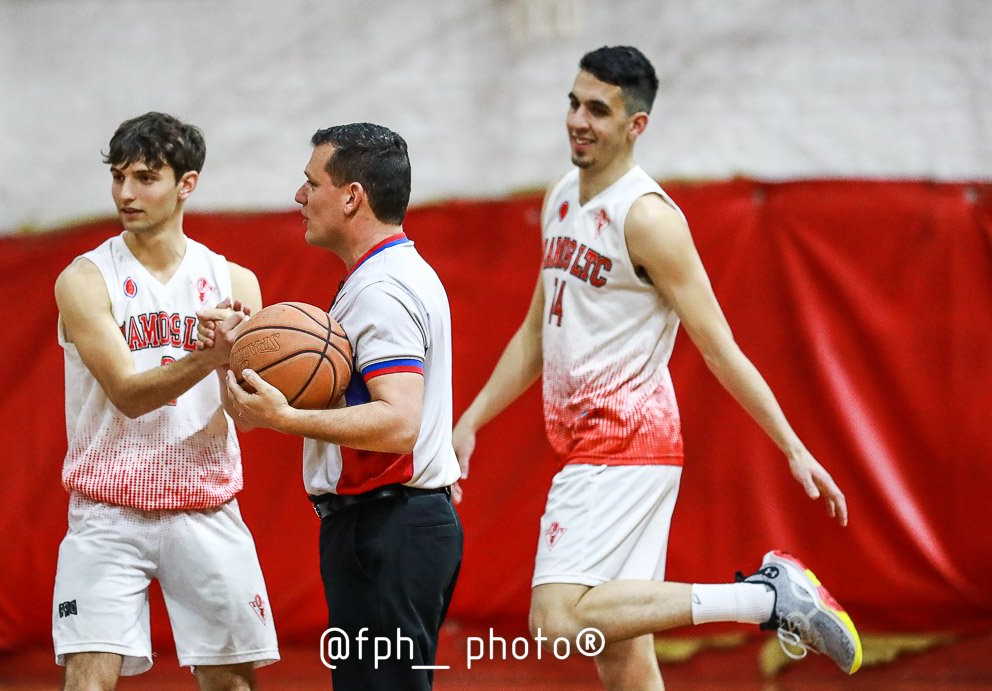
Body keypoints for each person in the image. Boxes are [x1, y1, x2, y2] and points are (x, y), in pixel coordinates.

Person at [451, 46, 862, 688]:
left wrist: (792, 445)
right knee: (622, 656)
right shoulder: (562, 198)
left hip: (623, 445)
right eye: (573, 102)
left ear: (635, 125)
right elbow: (536, 332)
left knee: (556, 622)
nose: (578, 121)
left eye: (598, 110)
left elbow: (719, 345)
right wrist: (471, 420)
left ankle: (764, 598)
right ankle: (765, 598)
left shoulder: (648, 218)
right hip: (595, 445)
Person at [216, 123, 463, 691]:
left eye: (311, 183)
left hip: (389, 524)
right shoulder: (391, 274)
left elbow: (400, 423)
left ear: (351, 195)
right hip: (389, 523)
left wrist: (285, 419)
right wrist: (241, 351)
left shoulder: (381, 289)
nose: (299, 197)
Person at [51, 111, 279, 690]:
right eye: (118, 177)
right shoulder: (84, 279)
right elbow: (128, 395)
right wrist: (208, 355)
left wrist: (261, 383)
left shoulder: (236, 283)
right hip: (107, 513)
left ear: (187, 184)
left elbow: (245, 417)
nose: (126, 193)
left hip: (205, 507)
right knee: (86, 682)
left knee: (232, 685)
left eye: (145, 177)